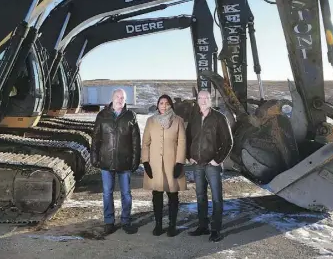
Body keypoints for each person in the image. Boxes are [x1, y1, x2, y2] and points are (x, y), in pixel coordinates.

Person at [91, 88, 141, 235]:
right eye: (118, 97)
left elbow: (136, 141)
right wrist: (94, 157)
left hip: (124, 162)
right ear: (112, 98)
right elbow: (95, 138)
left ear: (125, 100)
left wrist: (135, 160)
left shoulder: (130, 116)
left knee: (126, 193)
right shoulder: (102, 115)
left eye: (123, 98)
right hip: (106, 161)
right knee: (107, 193)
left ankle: (126, 221)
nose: (120, 100)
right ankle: (109, 222)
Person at [186, 90, 233, 242]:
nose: (203, 100)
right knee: (200, 196)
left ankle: (215, 229)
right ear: (197, 100)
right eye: (200, 98)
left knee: (217, 198)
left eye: (206, 98)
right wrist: (189, 156)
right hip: (197, 164)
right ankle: (202, 226)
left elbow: (228, 142)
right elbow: (188, 139)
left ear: (211, 100)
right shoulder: (194, 118)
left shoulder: (219, 118)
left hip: (212, 164)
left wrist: (217, 160)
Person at [141, 94, 187, 237]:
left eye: (167, 103)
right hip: (154, 164)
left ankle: (172, 225)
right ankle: (159, 225)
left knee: (173, 195)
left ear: (171, 105)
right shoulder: (150, 121)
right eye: (161, 103)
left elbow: (182, 142)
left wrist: (179, 162)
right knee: (157, 195)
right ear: (157, 105)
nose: (164, 105)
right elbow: (145, 143)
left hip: (172, 163)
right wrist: (145, 162)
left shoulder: (178, 121)